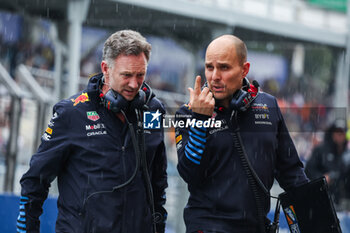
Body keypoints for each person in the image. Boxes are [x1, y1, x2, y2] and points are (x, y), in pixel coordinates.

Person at [16, 30, 167, 233]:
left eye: (140, 75)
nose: (134, 83)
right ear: (105, 69)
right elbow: (35, 181)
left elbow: (158, 183)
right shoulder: (71, 113)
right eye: (126, 75)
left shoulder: (152, 110)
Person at [175, 35, 308, 233]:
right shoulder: (188, 113)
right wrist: (200, 120)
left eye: (224, 68)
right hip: (207, 225)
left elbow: (292, 173)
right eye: (209, 67)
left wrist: (317, 216)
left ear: (244, 69)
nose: (214, 76)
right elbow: (190, 174)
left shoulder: (268, 105)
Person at [305, 119, 350, 210]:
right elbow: (309, 170)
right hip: (322, 197)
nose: (340, 136)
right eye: (337, 132)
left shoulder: (347, 153)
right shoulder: (321, 151)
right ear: (332, 134)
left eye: (342, 133)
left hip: (343, 199)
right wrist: (322, 178)